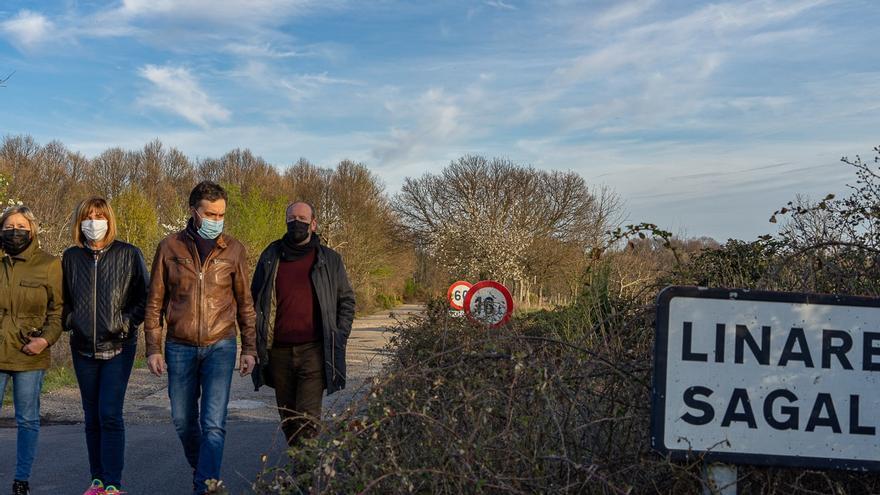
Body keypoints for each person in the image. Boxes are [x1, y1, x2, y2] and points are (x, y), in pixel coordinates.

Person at [143, 181, 256, 495]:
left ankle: (204, 486)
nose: (216, 220)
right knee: (182, 420)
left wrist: (249, 347)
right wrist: (153, 347)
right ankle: (205, 472)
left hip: (221, 344)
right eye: (210, 213)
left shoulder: (234, 250)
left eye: (221, 214)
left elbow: (246, 302)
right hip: (179, 346)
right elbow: (154, 301)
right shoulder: (169, 248)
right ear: (194, 211)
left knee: (214, 422)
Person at [62, 197, 149, 495]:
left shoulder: (129, 254)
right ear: (80, 222)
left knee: (109, 413)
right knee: (91, 416)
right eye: (88, 216)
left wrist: (126, 322)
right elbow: (62, 301)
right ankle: (96, 481)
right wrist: (71, 320)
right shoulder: (71, 257)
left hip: (119, 347)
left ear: (109, 220)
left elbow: (146, 297)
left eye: (99, 216)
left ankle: (113, 484)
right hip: (82, 346)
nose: (94, 221)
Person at [251, 201, 355, 446]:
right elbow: (254, 300)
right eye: (291, 218)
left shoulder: (329, 260)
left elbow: (347, 301)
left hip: (314, 351)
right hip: (279, 353)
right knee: (288, 419)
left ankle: (304, 477)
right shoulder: (270, 256)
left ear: (314, 223)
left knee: (308, 418)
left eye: (302, 218)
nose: (296, 222)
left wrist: (339, 335)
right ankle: (301, 469)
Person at [0, 206, 63, 495]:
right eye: (9, 225)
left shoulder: (49, 264)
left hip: (30, 352)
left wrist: (46, 340)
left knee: (27, 419)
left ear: (32, 229)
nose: (15, 231)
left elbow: (58, 310)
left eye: (21, 226)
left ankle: (21, 479)